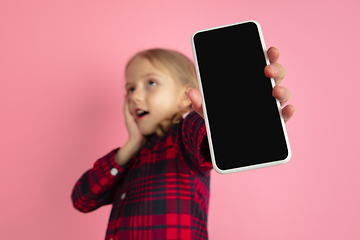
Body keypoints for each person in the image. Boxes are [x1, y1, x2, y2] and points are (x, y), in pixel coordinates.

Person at [71, 47, 294, 240]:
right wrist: (132, 144)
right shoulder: (131, 160)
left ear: (187, 96)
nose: (135, 96)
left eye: (150, 82)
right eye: (130, 88)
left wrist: (238, 117)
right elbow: (82, 199)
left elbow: (209, 134)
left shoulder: (183, 132)